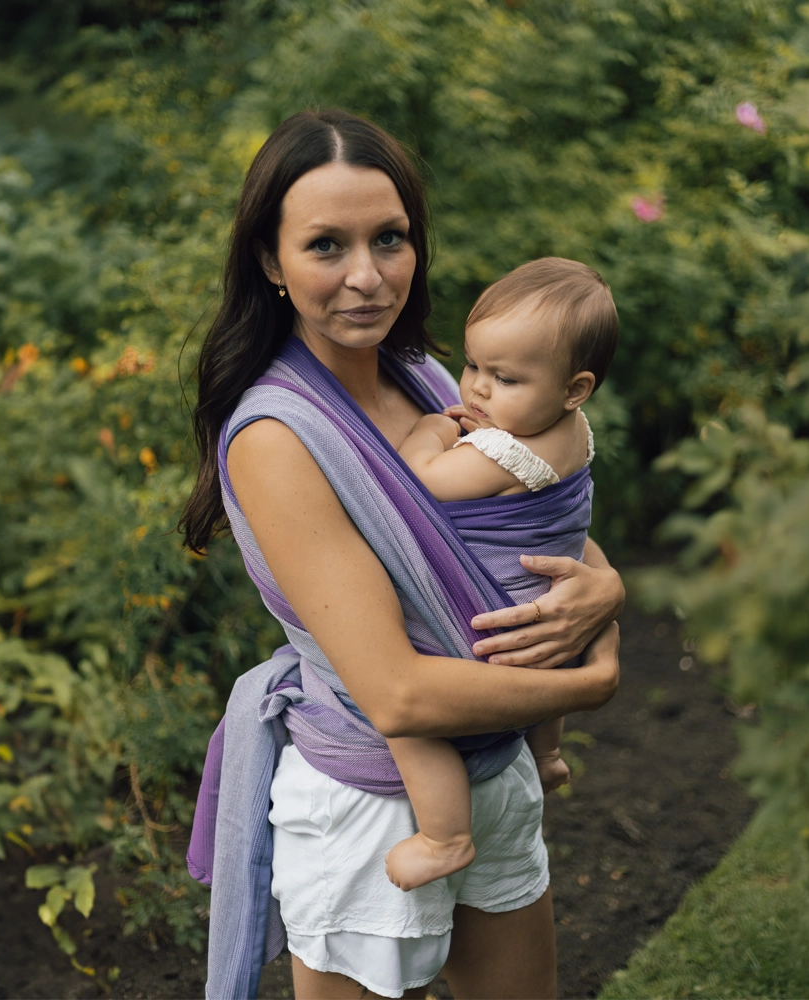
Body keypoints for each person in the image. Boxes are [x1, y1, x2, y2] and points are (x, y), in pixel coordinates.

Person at [183, 108, 623, 1000]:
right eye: (325, 246)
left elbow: (535, 515)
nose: (367, 277)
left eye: (389, 239)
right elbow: (399, 691)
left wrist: (605, 588)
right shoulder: (279, 436)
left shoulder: (422, 374)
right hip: (375, 799)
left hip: (492, 766)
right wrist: (590, 683)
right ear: (271, 262)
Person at [386, 257, 619, 892]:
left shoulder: (501, 450)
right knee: (546, 675)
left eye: (506, 378)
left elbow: (422, 482)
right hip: (548, 616)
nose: (478, 391)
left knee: (404, 716)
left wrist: (432, 429)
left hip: (492, 619)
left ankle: (444, 836)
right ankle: (546, 754)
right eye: (473, 367)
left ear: (575, 389)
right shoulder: (573, 433)